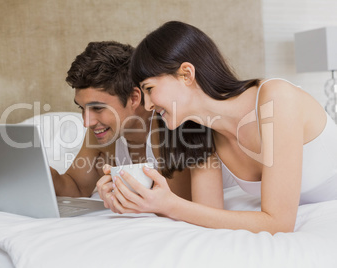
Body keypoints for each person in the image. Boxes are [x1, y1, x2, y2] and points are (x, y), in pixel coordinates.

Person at [103, 21, 337, 234]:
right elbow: (206, 214)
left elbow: (278, 224)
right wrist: (139, 202)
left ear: (186, 74)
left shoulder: (277, 99)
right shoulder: (198, 132)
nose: (148, 105)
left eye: (149, 89)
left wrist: (170, 204)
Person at [50, 41, 192, 210]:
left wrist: (123, 199)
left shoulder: (169, 123)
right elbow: (76, 187)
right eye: (82, 108)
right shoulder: (101, 132)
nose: (87, 122)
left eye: (98, 108)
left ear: (133, 98)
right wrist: (44, 173)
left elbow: (179, 202)